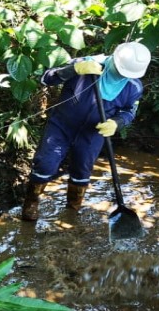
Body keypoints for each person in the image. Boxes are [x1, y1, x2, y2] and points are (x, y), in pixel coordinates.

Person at [21, 41, 150, 221]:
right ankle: (31, 202)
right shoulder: (85, 63)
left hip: (92, 134)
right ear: (114, 59)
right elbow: (46, 78)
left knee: (82, 171)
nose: (122, 75)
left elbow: (129, 111)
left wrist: (117, 122)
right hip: (61, 126)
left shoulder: (133, 86)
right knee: (45, 164)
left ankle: (72, 212)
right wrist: (73, 70)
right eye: (120, 71)